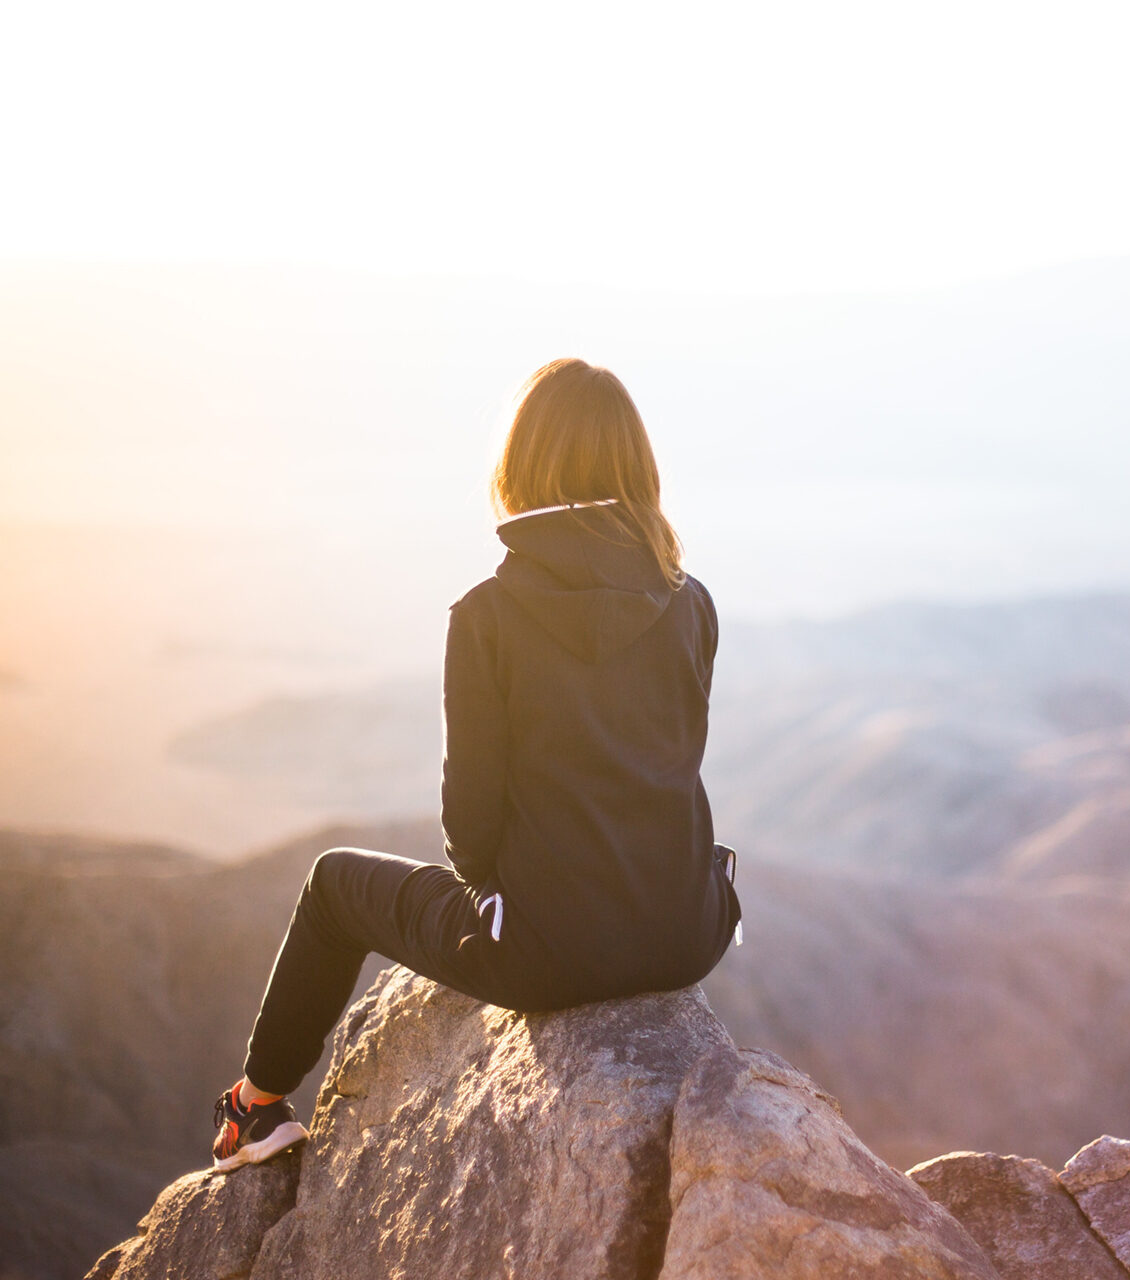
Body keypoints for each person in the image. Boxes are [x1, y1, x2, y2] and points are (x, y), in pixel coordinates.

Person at [212, 357, 742, 1172]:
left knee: (330, 885)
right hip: (689, 931)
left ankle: (257, 1105)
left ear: (521, 467)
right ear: (638, 467)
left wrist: (506, 906)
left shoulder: (488, 615)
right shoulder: (691, 599)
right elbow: (671, 763)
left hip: (547, 954)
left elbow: (469, 831)